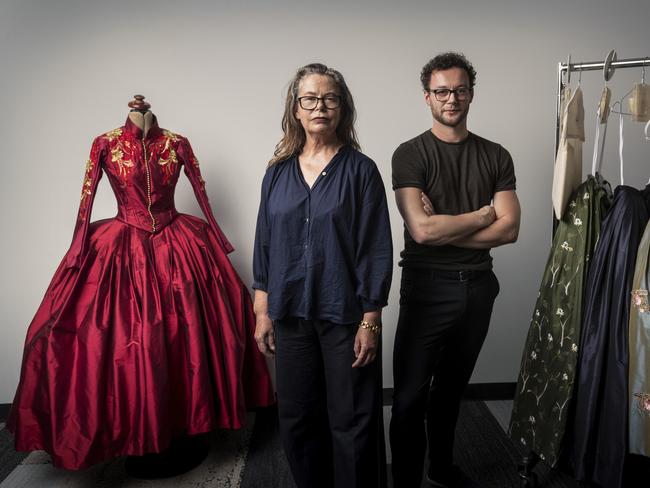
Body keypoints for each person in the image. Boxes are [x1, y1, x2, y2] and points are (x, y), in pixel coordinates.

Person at [7, 99, 274, 474]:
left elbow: (201, 193)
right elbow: (86, 200)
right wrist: (77, 248)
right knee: (117, 341)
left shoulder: (178, 142)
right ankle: (134, 431)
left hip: (177, 242)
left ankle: (183, 422)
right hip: (121, 242)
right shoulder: (105, 142)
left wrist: (216, 234)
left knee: (191, 336)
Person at [252, 63, 392, 488]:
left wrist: (371, 319)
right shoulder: (277, 173)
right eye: (310, 99)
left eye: (330, 98)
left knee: (353, 419)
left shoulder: (361, 171)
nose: (320, 106)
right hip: (290, 313)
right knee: (296, 416)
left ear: (342, 108)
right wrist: (262, 312)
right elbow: (265, 246)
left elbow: (375, 248)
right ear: (296, 109)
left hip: (345, 314)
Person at [389, 52, 520, 487]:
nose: (452, 98)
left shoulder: (496, 155)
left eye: (459, 90)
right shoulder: (410, 154)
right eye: (442, 91)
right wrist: (483, 216)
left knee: (449, 392)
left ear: (471, 94)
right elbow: (423, 233)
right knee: (409, 398)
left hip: (479, 288)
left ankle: (441, 470)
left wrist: (448, 226)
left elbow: (511, 229)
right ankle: (406, 480)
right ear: (426, 97)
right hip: (427, 289)